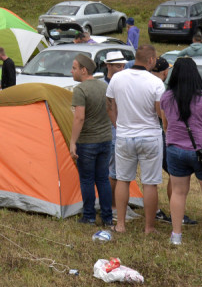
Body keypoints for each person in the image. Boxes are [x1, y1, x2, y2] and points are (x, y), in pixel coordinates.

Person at [159, 58, 202, 250]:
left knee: (178, 192)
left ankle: (176, 235)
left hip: (174, 149)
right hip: (201, 151)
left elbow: (166, 125)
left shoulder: (166, 97)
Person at [106, 46, 165, 234]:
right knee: (150, 183)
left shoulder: (117, 78)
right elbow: (160, 112)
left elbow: (109, 105)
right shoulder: (156, 82)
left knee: (123, 180)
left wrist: (117, 125)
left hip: (124, 135)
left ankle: (120, 224)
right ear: (151, 60)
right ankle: (149, 227)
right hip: (150, 136)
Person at [70, 53, 113, 226]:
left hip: (87, 141)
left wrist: (73, 142)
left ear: (83, 70)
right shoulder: (104, 86)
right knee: (103, 179)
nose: (71, 71)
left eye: (74, 68)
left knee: (87, 179)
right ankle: (107, 217)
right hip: (106, 139)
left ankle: (88, 215)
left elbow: (79, 118)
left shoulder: (80, 90)